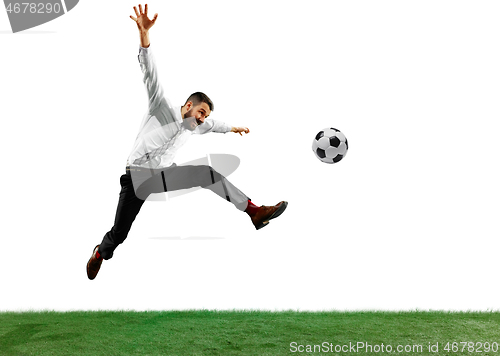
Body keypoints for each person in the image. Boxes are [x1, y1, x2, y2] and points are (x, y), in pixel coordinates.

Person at [87, 4, 287, 280]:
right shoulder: (162, 105)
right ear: (189, 105)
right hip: (136, 179)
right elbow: (150, 70)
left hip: (161, 176)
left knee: (207, 173)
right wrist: (144, 34)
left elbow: (214, 125)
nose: (203, 119)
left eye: (205, 116)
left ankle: (254, 211)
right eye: (201, 112)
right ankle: (100, 253)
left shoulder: (196, 126)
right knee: (119, 234)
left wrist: (232, 128)